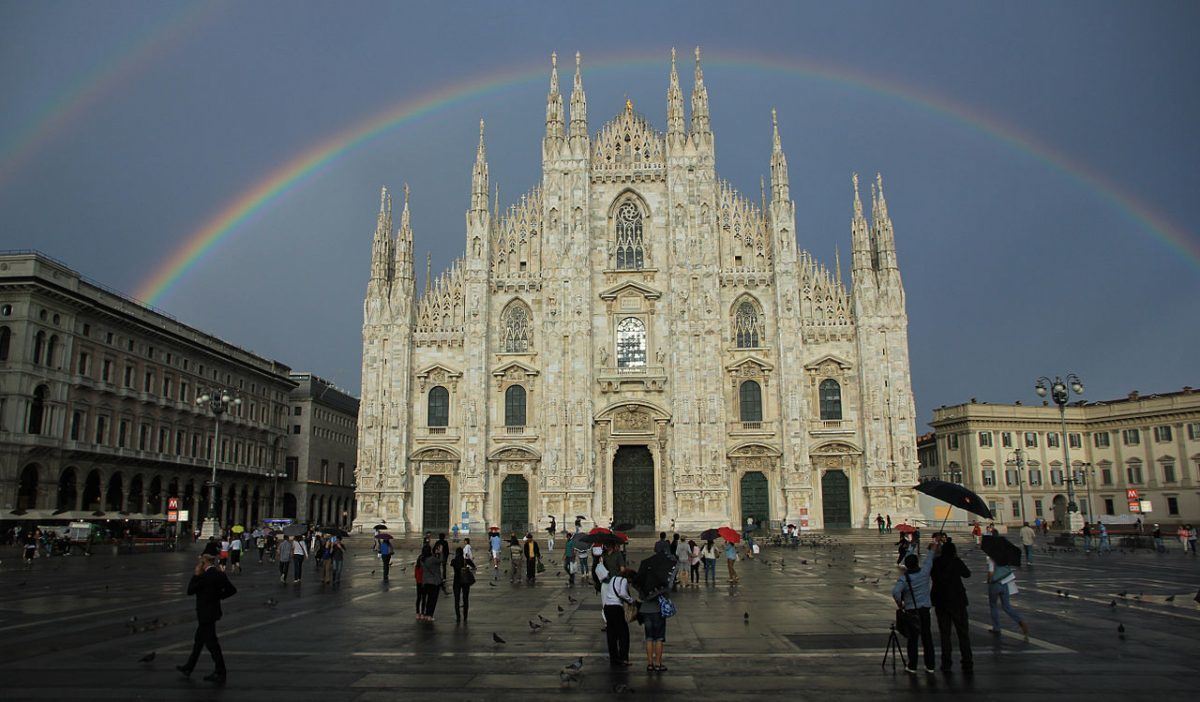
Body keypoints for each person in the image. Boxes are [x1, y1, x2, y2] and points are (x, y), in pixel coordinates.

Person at [177, 553, 236, 683]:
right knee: (199, 641)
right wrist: (218, 597)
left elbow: (190, 590)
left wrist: (195, 575)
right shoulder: (219, 574)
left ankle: (220, 671)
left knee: (211, 644)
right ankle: (189, 667)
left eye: (200, 563)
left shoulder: (203, 576)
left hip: (205, 614)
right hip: (213, 612)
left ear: (204, 563)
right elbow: (232, 590)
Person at [892, 545, 937, 675]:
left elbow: (895, 592)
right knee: (927, 638)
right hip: (924, 611)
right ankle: (930, 665)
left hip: (912, 612)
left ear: (906, 565)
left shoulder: (904, 578)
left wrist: (900, 604)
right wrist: (932, 548)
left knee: (912, 640)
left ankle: (912, 665)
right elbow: (929, 560)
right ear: (917, 563)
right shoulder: (924, 573)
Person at [930, 540, 973, 672]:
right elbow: (967, 574)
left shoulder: (936, 562)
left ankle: (946, 661)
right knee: (963, 633)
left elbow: (931, 575)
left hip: (941, 601)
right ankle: (967, 659)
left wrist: (933, 553)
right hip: (957, 601)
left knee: (945, 634)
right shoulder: (956, 561)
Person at [598, 562, 634, 667]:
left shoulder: (613, 578)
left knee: (611, 634)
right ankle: (623, 658)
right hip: (616, 608)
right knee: (624, 634)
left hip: (607, 607)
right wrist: (630, 600)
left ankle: (613, 658)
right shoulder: (624, 580)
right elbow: (622, 593)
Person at [986, 555, 1029, 641]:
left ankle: (996, 628)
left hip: (995, 584)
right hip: (1004, 583)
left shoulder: (991, 558)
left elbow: (991, 572)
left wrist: (988, 580)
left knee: (993, 605)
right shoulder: (1005, 557)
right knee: (1006, 606)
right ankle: (1020, 621)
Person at [636, 567, 670, 672]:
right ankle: (658, 663)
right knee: (659, 638)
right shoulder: (660, 583)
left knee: (649, 638)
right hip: (657, 611)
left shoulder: (643, 584)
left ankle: (650, 664)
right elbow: (666, 595)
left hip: (646, 611)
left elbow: (640, 597)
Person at [450, 546, 475, 623]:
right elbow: (473, 566)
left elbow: (452, 564)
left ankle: (458, 616)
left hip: (456, 581)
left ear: (456, 553)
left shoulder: (454, 561)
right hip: (465, 581)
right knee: (465, 599)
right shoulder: (466, 560)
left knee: (457, 600)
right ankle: (465, 616)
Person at [421, 545, 444, 621]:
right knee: (433, 599)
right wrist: (440, 553)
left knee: (428, 599)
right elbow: (441, 560)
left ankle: (426, 614)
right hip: (434, 582)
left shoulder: (422, 559)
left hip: (425, 581)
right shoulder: (432, 559)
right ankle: (430, 615)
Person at [414, 547, 427, 619]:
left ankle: (417, 613)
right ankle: (422, 613)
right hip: (424, 583)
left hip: (418, 583)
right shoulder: (424, 567)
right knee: (424, 598)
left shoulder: (417, 567)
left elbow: (415, 576)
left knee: (418, 598)